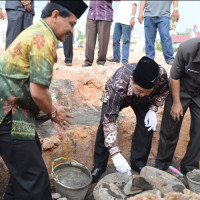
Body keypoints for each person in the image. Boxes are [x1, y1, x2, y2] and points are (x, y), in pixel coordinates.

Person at [0, 1, 87, 199]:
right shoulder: (44, 39)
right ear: (55, 15)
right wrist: (54, 113)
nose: (72, 31)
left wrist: (52, 105)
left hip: (15, 112)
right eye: (71, 24)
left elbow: (37, 85)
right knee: (35, 179)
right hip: (7, 114)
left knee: (28, 165)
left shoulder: (38, 31)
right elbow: (38, 91)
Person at [91, 56, 169, 183]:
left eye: (147, 91)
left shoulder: (160, 75)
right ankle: (99, 166)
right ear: (132, 79)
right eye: (140, 90)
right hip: (119, 95)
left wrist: (153, 109)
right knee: (103, 125)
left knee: (146, 124)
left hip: (143, 102)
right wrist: (115, 154)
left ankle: (138, 163)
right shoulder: (118, 86)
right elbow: (109, 120)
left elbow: (163, 92)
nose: (142, 94)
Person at [155, 38, 200, 174]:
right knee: (171, 126)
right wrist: (176, 102)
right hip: (180, 89)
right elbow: (174, 77)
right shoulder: (187, 48)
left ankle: (190, 168)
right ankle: (162, 165)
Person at [138, 0, 180, 65]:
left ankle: (169, 58)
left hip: (164, 15)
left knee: (165, 36)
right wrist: (140, 12)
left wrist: (175, 10)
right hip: (149, 15)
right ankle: (149, 59)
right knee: (149, 39)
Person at [82, 0, 113, 67]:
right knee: (89, 40)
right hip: (91, 14)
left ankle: (101, 61)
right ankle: (88, 61)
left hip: (105, 14)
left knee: (103, 40)